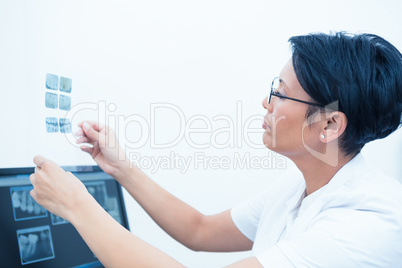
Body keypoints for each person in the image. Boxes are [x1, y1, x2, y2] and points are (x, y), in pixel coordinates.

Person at [29, 32, 402, 267]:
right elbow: (199, 230)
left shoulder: (366, 224)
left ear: (331, 125)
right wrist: (121, 168)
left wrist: (76, 206)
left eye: (280, 93)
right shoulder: (299, 190)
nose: (265, 103)